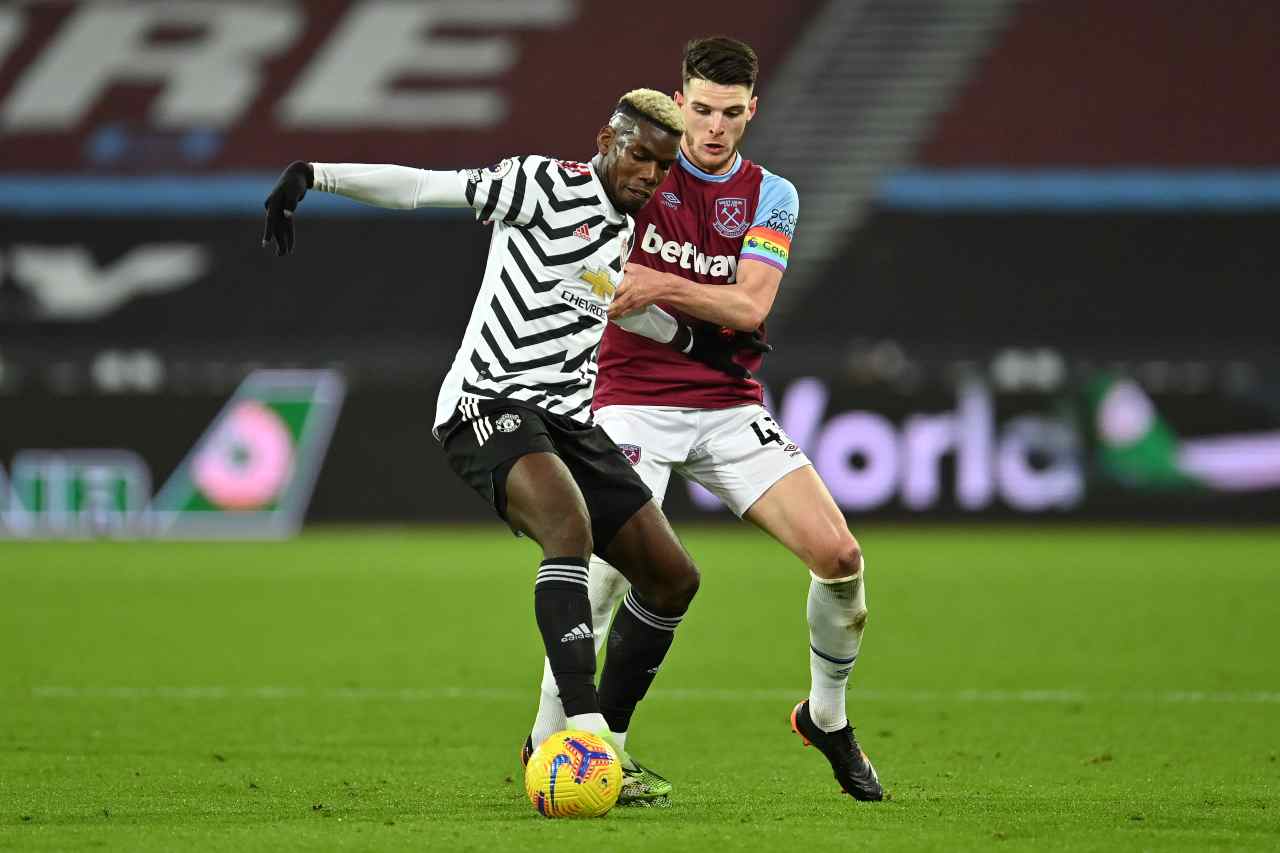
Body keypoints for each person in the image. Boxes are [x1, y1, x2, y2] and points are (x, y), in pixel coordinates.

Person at [261, 89, 747, 795]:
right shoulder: (545, 185)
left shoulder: (626, 231)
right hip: (488, 402)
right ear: (607, 139)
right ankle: (577, 739)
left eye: (662, 165)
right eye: (639, 155)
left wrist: (697, 342)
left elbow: (616, 304)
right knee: (569, 528)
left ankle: (603, 738)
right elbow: (426, 188)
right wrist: (314, 174)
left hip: (569, 422)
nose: (648, 174)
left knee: (674, 578)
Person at [523, 38, 884, 804]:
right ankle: (561, 742)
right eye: (700, 110)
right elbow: (588, 271)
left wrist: (657, 282)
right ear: (679, 102)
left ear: (751, 111)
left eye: (729, 113)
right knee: (609, 569)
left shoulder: (771, 194)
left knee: (841, 556)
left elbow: (751, 304)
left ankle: (825, 716)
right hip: (630, 400)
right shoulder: (638, 172)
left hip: (727, 405)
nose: (712, 128)